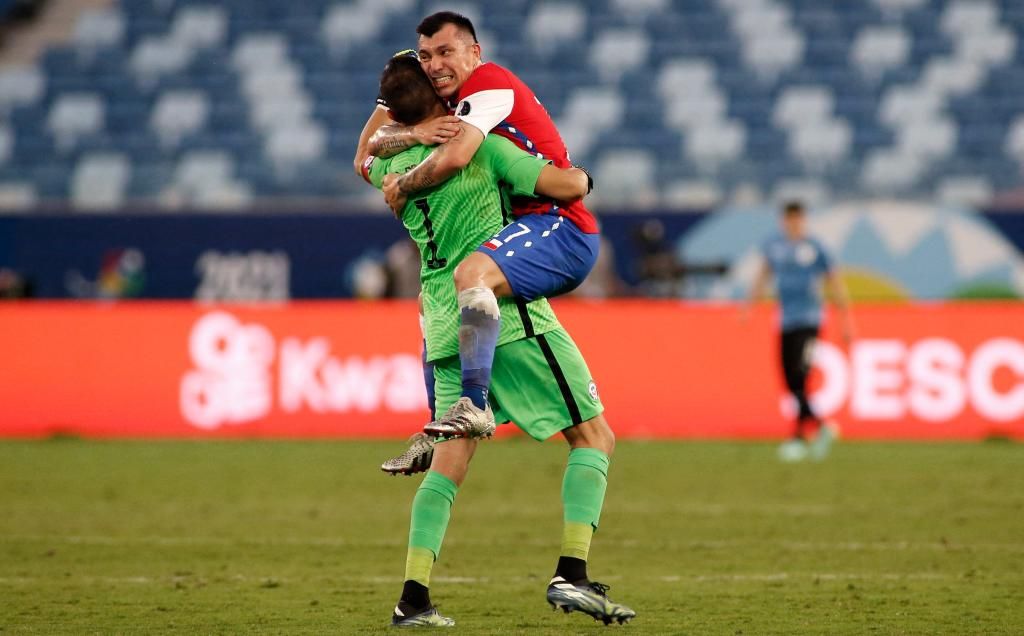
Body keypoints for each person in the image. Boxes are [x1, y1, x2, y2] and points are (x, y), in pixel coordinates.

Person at [365, 54, 635, 627]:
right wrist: (584, 175)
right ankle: (573, 574)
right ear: (442, 105)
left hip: (438, 320)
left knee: (448, 467)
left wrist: (399, 122)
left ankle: (412, 599)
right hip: (503, 317)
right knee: (595, 436)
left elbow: (364, 151)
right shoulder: (481, 149)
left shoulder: (388, 171)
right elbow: (559, 184)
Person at [355, 11, 602, 445]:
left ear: (474, 53)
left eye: (446, 52)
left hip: (557, 220)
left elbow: (451, 157)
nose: (435, 65)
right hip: (523, 227)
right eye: (427, 56)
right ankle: (457, 419)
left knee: (468, 277)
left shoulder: (488, 83)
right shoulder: (447, 109)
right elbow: (366, 152)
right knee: (455, 288)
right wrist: (414, 130)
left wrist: (402, 186)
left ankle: (474, 403)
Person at [747, 201, 854, 462]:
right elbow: (763, 273)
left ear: (803, 220)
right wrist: (750, 304)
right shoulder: (774, 246)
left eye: (798, 219)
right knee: (790, 381)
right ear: (783, 221)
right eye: (789, 219)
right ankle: (817, 427)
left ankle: (799, 436)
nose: (793, 223)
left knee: (800, 375)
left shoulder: (815, 248)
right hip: (785, 321)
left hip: (809, 320)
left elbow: (834, 281)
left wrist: (846, 319)